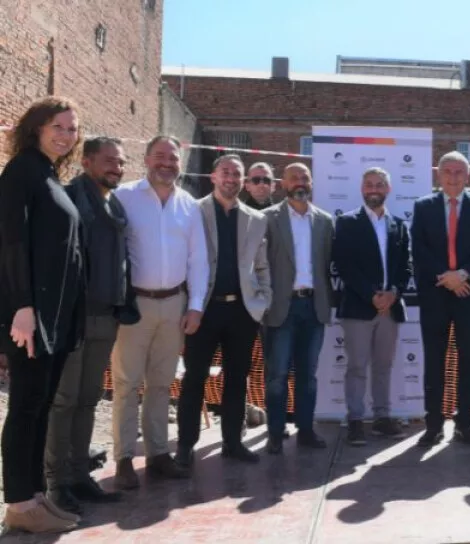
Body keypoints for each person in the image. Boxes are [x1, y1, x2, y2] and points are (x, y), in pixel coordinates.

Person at [0, 96, 85, 533]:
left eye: (72, 129)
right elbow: (11, 241)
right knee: (26, 406)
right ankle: (18, 501)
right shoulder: (21, 171)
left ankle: (34, 496)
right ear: (37, 127)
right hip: (31, 316)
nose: (66, 135)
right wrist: (22, 307)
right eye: (58, 126)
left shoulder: (48, 174)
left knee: (40, 405)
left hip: (54, 316)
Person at [111, 135, 208, 489]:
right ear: (146, 159)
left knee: (162, 384)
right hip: (133, 306)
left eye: (173, 158)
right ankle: (123, 458)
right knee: (126, 384)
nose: (167, 163)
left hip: (174, 305)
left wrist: (195, 306)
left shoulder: (190, 205)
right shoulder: (123, 197)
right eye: (160, 156)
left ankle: (157, 454)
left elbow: (199, 259)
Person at [44, 137, 129, 515]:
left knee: (88, 399)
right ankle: (56, 482)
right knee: (64, 401)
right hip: (72, 318)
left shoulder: (115, 205)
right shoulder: (69, 199)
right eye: (109, 161)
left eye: (121, 162)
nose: (117, 168)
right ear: (87, 161)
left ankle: (80, 475)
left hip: (105, 315)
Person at [175, 155, 271, 466]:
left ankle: (232, 442)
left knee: (237, 378)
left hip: (242, 311)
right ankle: (185, 446)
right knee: (194, 378)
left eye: (237, 174)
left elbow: (262, 265)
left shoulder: (256, 219)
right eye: (225, 172)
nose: (231, 178)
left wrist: (263, 299)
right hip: (202, 309)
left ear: (243, 181)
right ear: (213, 176)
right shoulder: (193, 211)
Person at [411, 151, 470, 448]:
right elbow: (419, 249)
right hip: (435, 294)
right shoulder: (423, 206)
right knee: (434, 360)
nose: (453, 177)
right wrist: (446, 277)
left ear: (468, 175)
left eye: (459, 171)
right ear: (438, 174)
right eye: (447, 171)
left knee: (468, 360)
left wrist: (462, 275)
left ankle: (464, 423)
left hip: (469, 294)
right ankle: (433, 425)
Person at [332, 166, 412, 446]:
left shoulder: (398, 225)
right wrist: (371, 295)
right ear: (362, 189)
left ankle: (382, 417)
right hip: (358, 308)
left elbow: (406, 266)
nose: (374, 189)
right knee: (356, 366)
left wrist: (394, 293)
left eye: (379, 184)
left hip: (390, 308)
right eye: (369, 185)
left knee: (383, 366)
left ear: (388, 189)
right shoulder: (347, 222)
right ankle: (355, 420)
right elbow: (344, 264)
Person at [262, 162, 333, 454]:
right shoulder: (267, 218)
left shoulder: (325, 221)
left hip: (313, 307)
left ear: (312, 183)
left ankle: (306, 430)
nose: (300, 182)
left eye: (305, 177)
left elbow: (327, 264)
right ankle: (275, 433)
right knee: (277, 376)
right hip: (281, 307)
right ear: (283, 183)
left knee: (308, 375)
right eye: (294, 178)